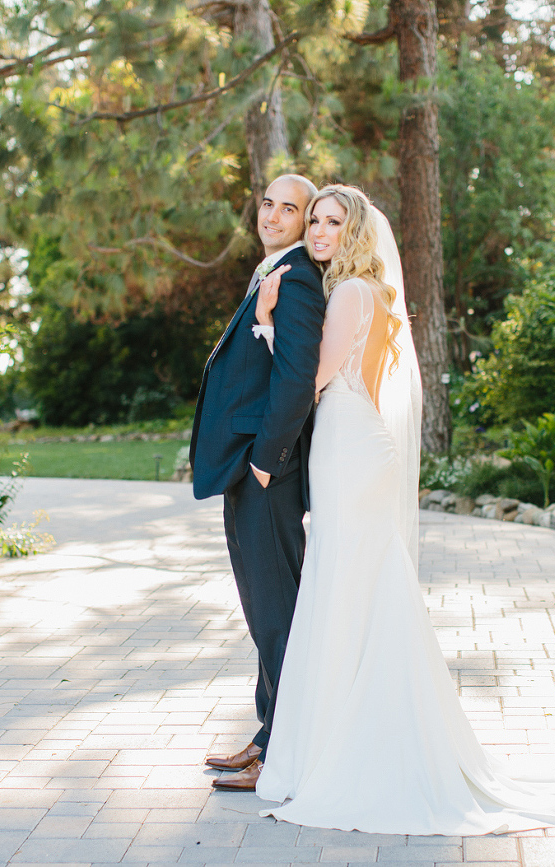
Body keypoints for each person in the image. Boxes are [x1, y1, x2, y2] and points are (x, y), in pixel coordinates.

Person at [221, 184, 555, 834]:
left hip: (349, 449)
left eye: (332, 221)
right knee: (355, 588)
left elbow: (309, 378)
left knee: (347, 585)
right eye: (314, 220)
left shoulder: (355, 293)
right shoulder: (360, 292)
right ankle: (345, 734)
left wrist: (270, 320)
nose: (317, 230)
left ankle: (352, 748)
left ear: (356, 231)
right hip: (349, 446)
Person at [189, 174, 325, 791]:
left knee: (277, 611)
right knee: (264, 608)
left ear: (305, 220)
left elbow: (296, 379)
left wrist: (266, 459)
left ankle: (283, 753)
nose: (272, 214)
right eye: (268, 202)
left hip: (266, 467)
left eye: (289, 208)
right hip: (249, 464)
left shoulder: (296, 280)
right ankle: (268, 733)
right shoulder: (274, 271)